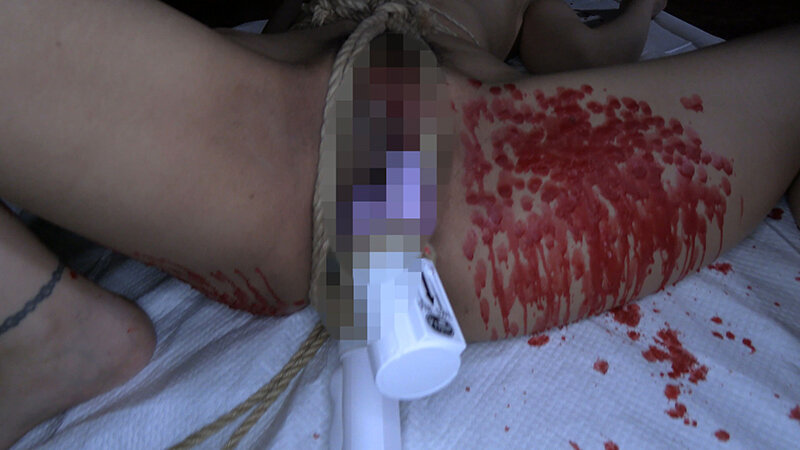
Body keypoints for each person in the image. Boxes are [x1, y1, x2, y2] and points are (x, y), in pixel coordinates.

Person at [0, 0, 798, 447]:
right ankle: (46, 330)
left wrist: (639, 10)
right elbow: (586, 61)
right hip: (345, 153)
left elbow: (588, 56)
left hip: (412, 159)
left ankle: (40, 324)